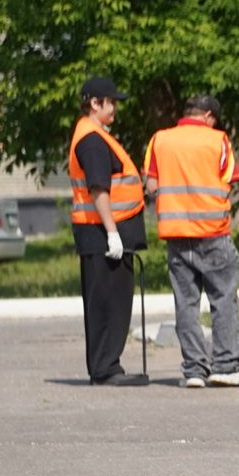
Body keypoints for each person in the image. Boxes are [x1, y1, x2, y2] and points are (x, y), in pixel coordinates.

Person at [143, 94, 239, 388]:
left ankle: (194, 371)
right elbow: (230, 181)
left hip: (176, 235)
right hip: (212, 233)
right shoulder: (217, 140)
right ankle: (227, 366)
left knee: (186, 304)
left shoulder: (159, 140)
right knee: (223, 300)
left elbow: (151, 185)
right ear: (208, 116)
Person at [69, 75, 149, 386]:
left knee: (113, 301)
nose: (114, 108)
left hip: (104, 233)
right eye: (110, 102)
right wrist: (112, 233)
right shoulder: (91, 139)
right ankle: (104, 368)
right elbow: (98, 189)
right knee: (106, 303)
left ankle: (107, 365)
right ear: (94, 103)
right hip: (101, 235)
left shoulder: (96, 135)